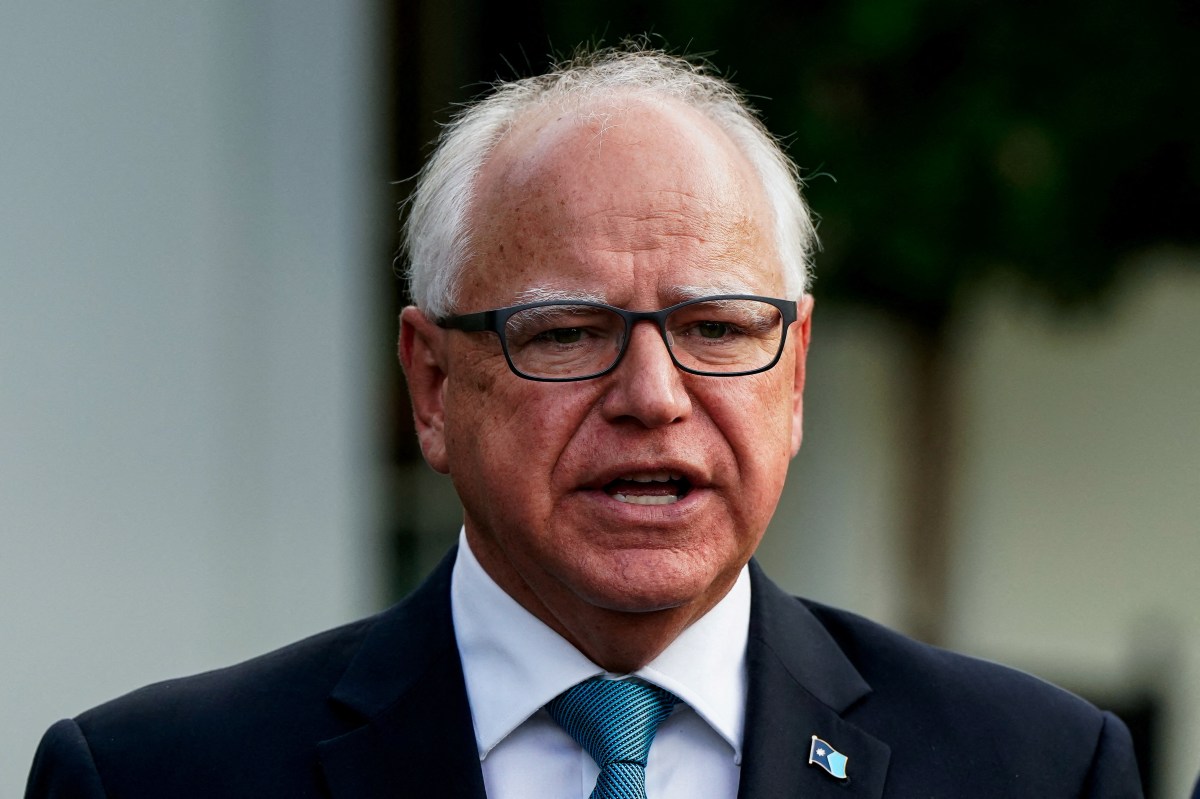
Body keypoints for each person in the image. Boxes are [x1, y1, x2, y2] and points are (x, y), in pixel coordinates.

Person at [26, 46, 1142, 798]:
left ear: (795, 375)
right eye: (565, 333)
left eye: (716, 327)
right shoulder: (150, 777)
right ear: (431, 385)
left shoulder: (1041, 768)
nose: (653, 395)